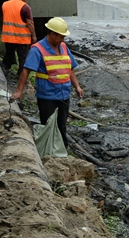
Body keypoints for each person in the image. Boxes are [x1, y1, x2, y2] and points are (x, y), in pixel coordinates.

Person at [10, 17, 83, 149]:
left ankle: (62, 150)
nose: (63, 40)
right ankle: (48, 151)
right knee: (48, 125)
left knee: (62, 125)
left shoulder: (64, 47)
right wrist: (19, 91)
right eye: (61, 36)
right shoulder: (37, 49)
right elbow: (26, 71)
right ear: (52, 34)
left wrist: (77, 86)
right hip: (47, 96)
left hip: (64, 95)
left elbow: (70, 69)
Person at [1, 0, 37, 76]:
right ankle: (21, 77)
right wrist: (34, 36)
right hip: (22, 38)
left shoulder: (5, 4)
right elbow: (30, 22)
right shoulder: (25, 7)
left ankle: (4, 71)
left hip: (8, 37)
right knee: (23, 58)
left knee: (9, 54)